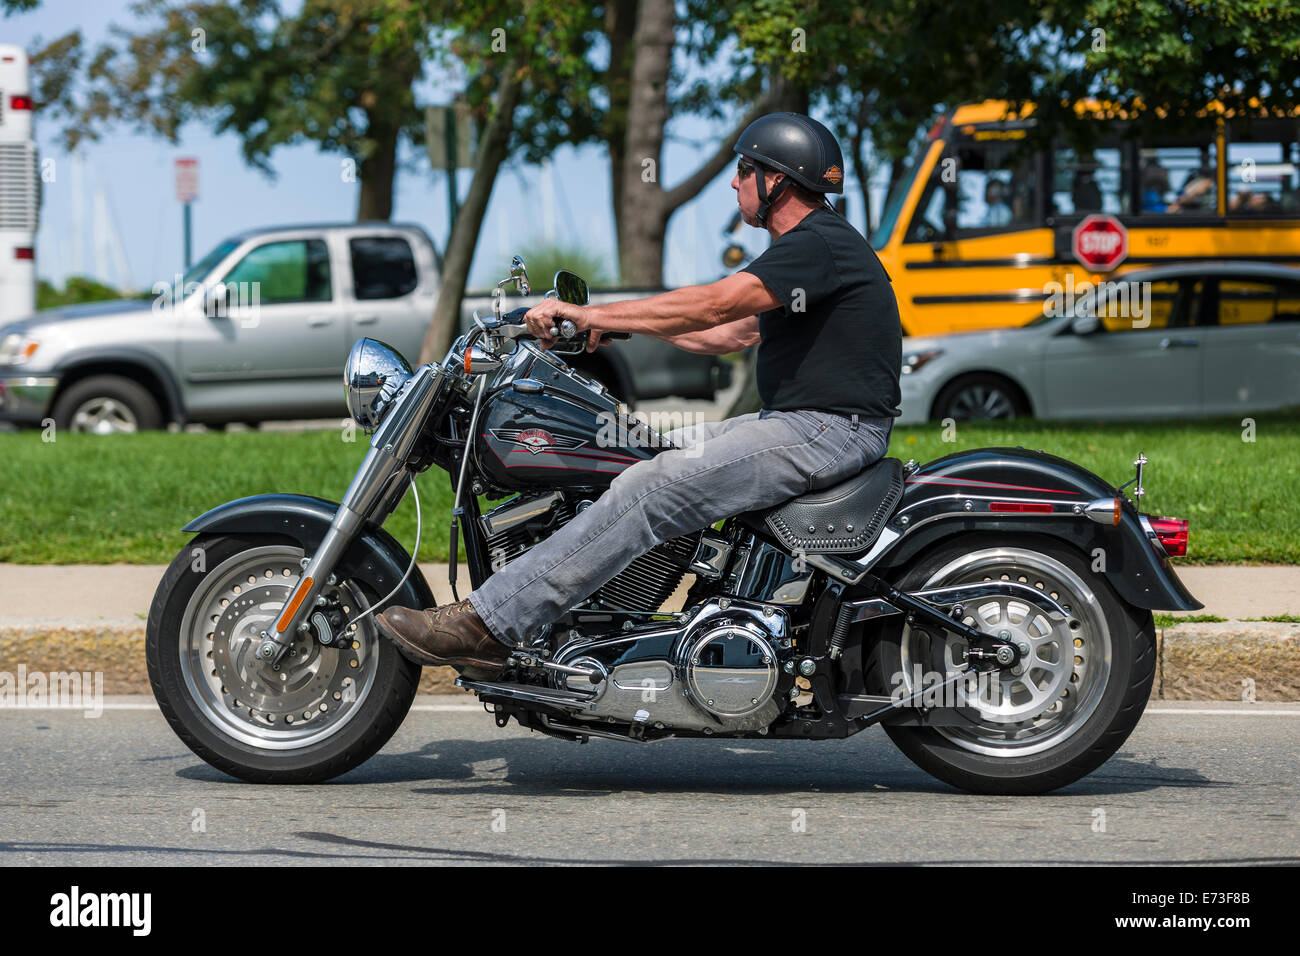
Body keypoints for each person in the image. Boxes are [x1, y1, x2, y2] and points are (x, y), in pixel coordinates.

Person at [375, 112, 902, 674]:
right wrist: (612, 327)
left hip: (825, 430)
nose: (733, 182)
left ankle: (489, 624)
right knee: (642, 454)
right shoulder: (818, 252)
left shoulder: (814, 243)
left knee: (651, 487)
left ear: (778, 180)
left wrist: (590, 309)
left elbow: (715, 304)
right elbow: (726, 332)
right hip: (809, 425)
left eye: (744, 169)